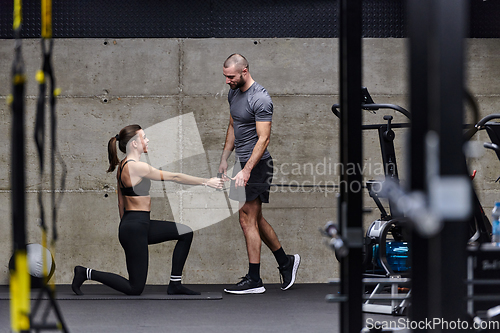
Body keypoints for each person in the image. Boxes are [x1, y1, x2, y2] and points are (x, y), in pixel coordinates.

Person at [72, 124, 223, 296]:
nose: (147, 140)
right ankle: (85, 272)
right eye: (143, 137)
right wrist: (206, 181)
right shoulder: (135, 167)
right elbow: (174, 177)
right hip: (135, 228)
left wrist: (126, 226)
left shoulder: (122, 166)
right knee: (135, 288)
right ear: (134, 143)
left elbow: (121, 202)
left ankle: (175, 284)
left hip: (137, 225)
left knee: (185, 233)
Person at [218, 54, 300, 294]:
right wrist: (225, 157)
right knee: (255, 218)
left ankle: (255, 279)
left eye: (231, 76)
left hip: (257, 165)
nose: (227, 81)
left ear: (244, 71)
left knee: (246, 219)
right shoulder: (233, 93)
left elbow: (263, 138)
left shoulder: (260, 98)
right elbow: (233, 125)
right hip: (242, 163)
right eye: (225, 76)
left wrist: (246, 170)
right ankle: (286, 262)